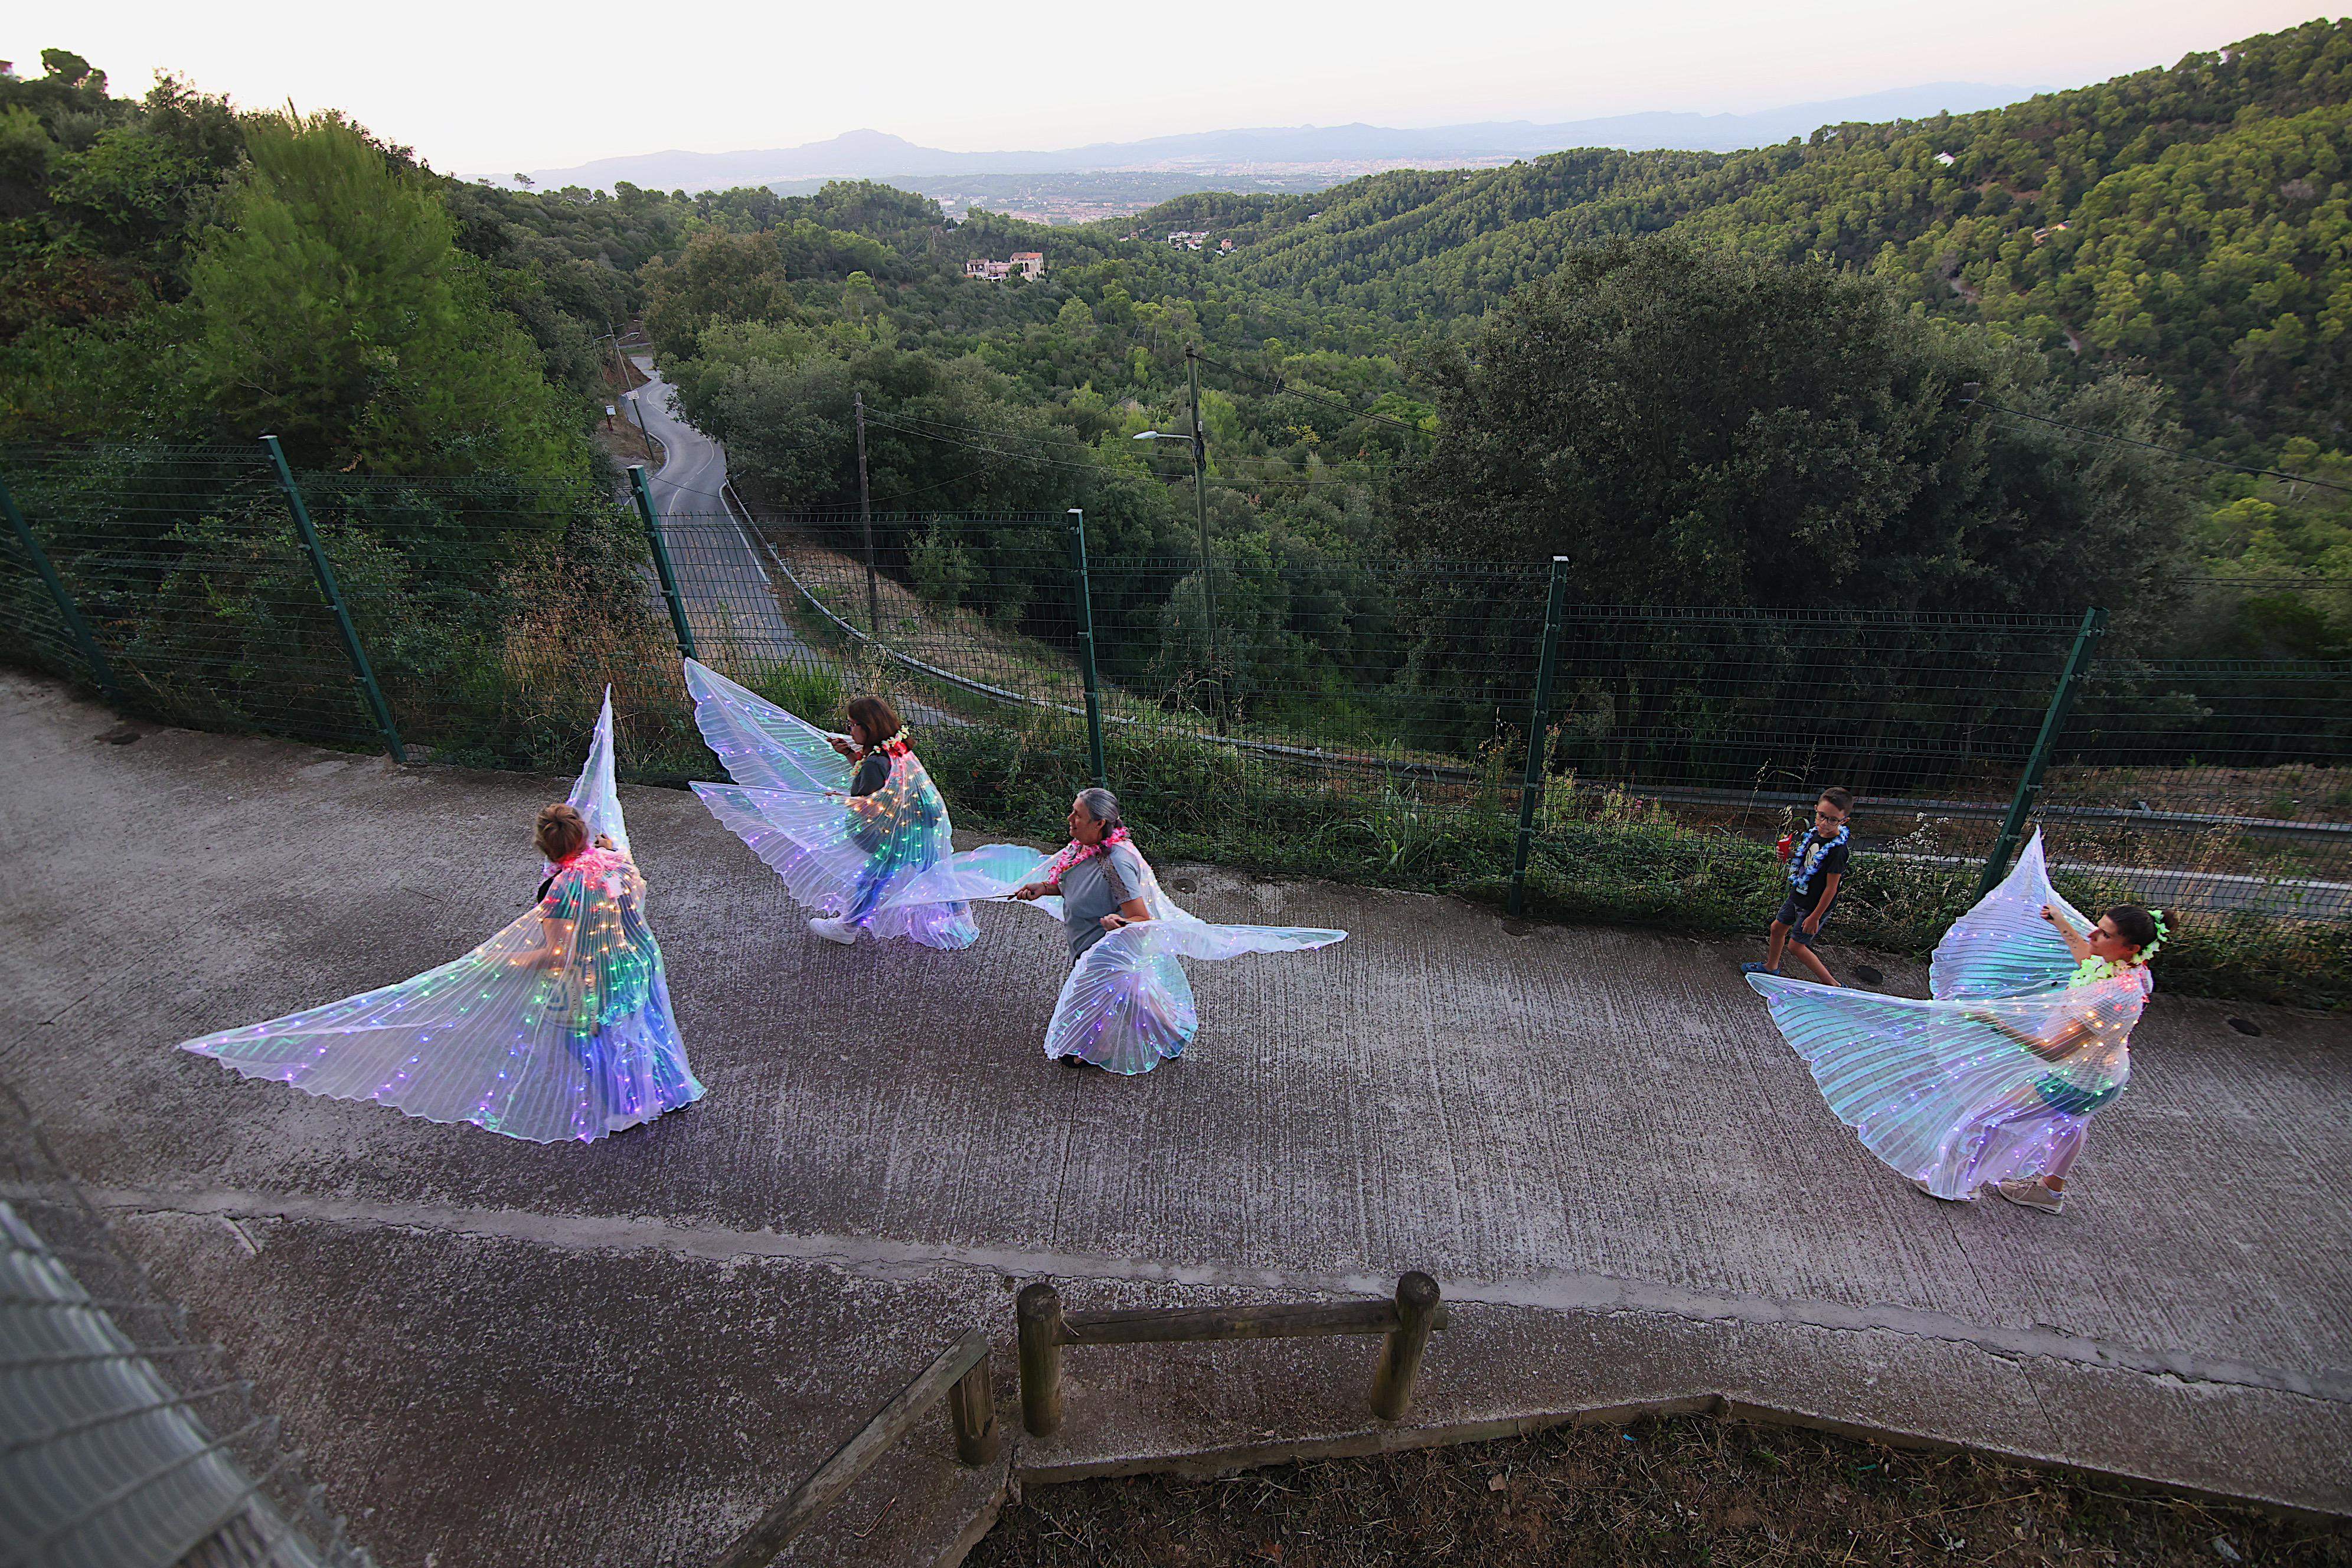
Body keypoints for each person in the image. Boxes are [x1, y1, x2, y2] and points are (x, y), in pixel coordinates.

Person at [177, 792, 705, 1144]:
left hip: (591, 975)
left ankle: (623, 1107)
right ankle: (667, 1088)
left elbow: (556, 954)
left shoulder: (558, 890)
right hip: (636, 960)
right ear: (585, 835)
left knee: (585, 1038)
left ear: (545, 848)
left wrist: (499, 959)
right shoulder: (612, 860)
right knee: (641, 1026)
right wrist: (607, 848)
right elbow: (628, 877)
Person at [1745, 832, 2161, 1214]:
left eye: (2103, 935)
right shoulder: (2133, 972)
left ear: (2131, 948)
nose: (2093, 937)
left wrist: (1993, 1022)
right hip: (2107, 1080)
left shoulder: (2111, 998)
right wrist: (2062, 923)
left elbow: (2052, 1051)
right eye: (2097, 929)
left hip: (2072, 1080)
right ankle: (2050, 1190)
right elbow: (2086, 959)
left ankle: (1952, 1185)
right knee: (2071, 1124)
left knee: (1984, 1117)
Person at [883, 787, 1346, 1074]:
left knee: (1095, 1002)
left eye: (1077, 817)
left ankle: (1084, 1052)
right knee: (1137, 997)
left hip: (1108, 950)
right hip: (1084, 942)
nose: (1071, 821)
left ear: (1101, 823)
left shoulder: (1118, 864)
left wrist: (1117, 922)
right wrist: (1039, 888)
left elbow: (1142, 918)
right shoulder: (1081, 851)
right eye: (1072, 814)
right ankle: (1173, 1034)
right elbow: (1065, 882)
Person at [682, 659, 975, 949]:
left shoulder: (875, 762)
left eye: (852, 725)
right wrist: (850, 754)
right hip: (920, 830)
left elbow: (869, 802)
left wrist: (838, 800)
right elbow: (883, 788)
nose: (849, 729)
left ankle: (848, 927)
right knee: (934, 873)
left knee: (871, 881)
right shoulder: (897, 749)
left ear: (867, 727)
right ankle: (960, 917)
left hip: (895, 836)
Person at [1744, 787, 1853, 986]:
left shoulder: (1837, 850)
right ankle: (1771, 966)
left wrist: (1816, 916)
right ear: (1816, 810)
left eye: (1833, 820)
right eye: (1821, 816)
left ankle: (1834, 985)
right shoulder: (1815, 834)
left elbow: (1831, 888)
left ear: (1844, 821)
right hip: (1799, 895)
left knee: (1797, 946)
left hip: (1814, 905)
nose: (1825, 823)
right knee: (1777, 928)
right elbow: (1810, 861)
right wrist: (1791, 855)